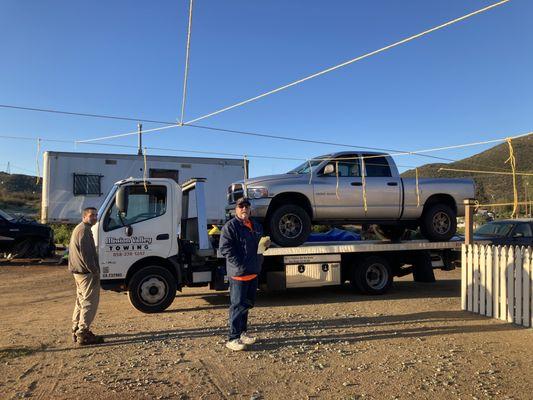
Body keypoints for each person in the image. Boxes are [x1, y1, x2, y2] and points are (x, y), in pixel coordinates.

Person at [219, 197, 269, 351]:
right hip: (239, 274)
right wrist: (240, 265)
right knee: (237, 306)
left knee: (246, 305)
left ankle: (242, 333)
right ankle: (232, 338)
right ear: (236, 209)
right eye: (241, 206)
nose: (244, 209)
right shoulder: (230, 227)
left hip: (253, 272)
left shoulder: (255, 225)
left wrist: (265, 246)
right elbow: (225, 248)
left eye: (246, 206)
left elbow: (260, 244)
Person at [68, 207, 104, 346]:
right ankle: (83, 333)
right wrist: (94, 271)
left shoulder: (80, 228)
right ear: (84, 217)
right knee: (89, 302)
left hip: (78, 272)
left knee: (80, 301)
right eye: (91, 215)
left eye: (95, 215)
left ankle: (76, 328)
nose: (94, 218)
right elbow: (87, 255)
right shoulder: (84, 231)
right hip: (86, 274)